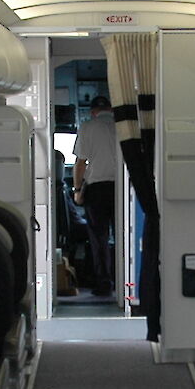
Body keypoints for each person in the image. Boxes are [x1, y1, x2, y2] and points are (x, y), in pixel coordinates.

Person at [72, 96, 121, 296]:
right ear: (111, 109)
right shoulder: (123, 126)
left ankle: (104, 284)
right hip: (121, 187)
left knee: (99, 238)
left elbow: (81, 163)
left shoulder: (87, 127)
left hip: (97, 189)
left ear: (93, 112)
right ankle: (124, 279)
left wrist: (77, 190)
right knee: (123, 236)